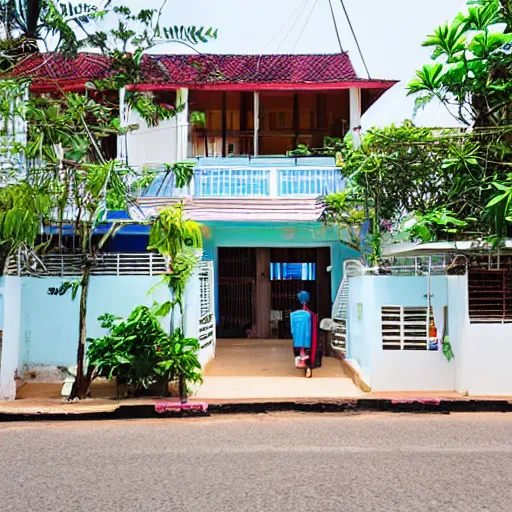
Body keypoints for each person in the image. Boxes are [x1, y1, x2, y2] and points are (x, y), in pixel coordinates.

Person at [290, 290, 319, 378]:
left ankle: (301, 363)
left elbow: (292, 328)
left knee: (300, 351)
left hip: (298, 338)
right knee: (307, 352)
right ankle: (308, 367)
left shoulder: (294, 314)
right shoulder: (310, 313)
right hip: (308, 337)